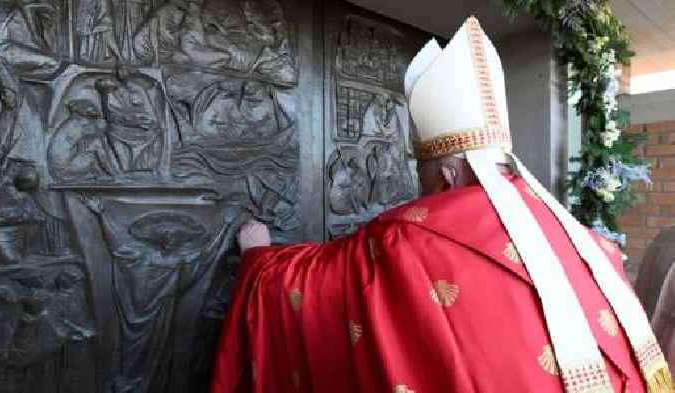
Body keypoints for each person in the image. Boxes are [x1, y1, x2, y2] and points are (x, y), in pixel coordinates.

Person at [211, 17, 672, 393]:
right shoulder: (581, 238)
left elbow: (309, 291)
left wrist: (259, 258)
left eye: (423, 173)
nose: (420, 187)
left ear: (448, 174)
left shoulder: (404, 239)